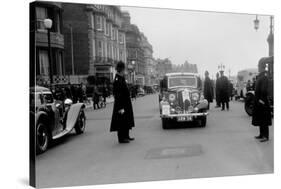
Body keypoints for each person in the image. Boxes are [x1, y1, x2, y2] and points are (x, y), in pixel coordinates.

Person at [110, 61, 135, 143]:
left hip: (126, 103)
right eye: (124, 69)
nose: (125, 71)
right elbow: (117, 94)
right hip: (120, 104)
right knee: (121, 120)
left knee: (126, 119)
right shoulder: (117, 79)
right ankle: (121, 138)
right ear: (121, 69)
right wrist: (120, 107)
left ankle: (127, 136)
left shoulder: (122, 78)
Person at [252, 62, 272, 142]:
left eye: (259, 66)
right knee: (260, 118)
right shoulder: (261, 76)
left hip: (262, 101)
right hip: (259, 100)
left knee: (264, 119)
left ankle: (265, 136)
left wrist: (261, 101)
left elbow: (264, 91)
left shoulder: (264, 77)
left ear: (262, 68)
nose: (258, 68)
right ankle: (261, 134)